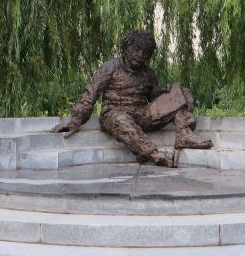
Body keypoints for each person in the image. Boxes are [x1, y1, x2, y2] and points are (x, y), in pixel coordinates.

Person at [51, 29, 212, 167]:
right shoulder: (110, 67)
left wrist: (164, 91)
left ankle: (184, 134)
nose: (140, 55)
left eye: (145, 52)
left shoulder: (148, 73)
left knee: (180, 91)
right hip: (113, 114)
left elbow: (153, 98)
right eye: (136, 49)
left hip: (141, 113)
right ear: (126, 48)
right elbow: (89, 95)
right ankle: (155, 155)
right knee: (121, 119)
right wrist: (74, 121)